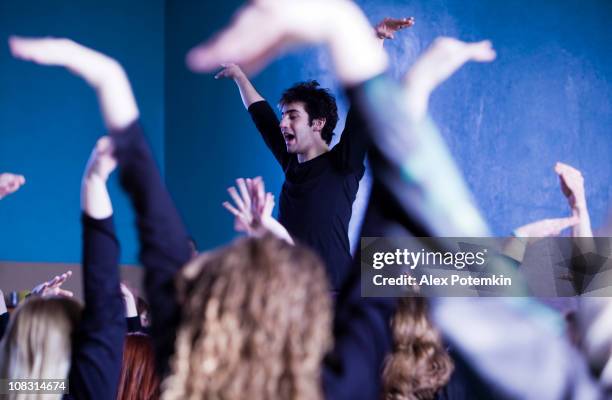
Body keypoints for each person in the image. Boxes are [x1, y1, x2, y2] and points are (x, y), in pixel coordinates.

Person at [209, 17, 413, 290]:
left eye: (292, 116)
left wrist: (376, 42)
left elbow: (363, 109)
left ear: (317, 124)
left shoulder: (343, 164)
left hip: (334, 290)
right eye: (284, 116)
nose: (283, 124)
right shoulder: (291, 162)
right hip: (291, 291)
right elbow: (262, 116)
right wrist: (239, 76)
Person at [0, 95, 125, 400]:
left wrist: (30, 310)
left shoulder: (6, 388)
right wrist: (94, 181)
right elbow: (104, 301)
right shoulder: (86, 391)